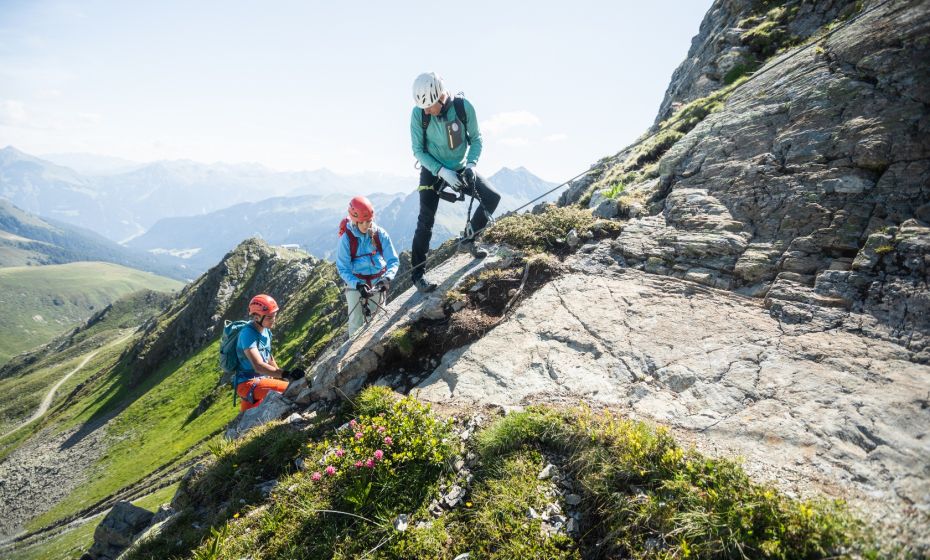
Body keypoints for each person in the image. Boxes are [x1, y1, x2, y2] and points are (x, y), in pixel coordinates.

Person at [410, 72, 501, 293]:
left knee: (491, 197)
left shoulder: (463, 108)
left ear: (441, 97)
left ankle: (469, 239)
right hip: (433, 169)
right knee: (425, 221)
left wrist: (471, 164)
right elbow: (418, 150)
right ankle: (418, 276)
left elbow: (476, 138)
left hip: (460, 167)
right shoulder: (418, 114)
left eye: (430, 106)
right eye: (424, 107)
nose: (426, 111)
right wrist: (441, 171)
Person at [335, 196, 400, 336]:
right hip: (356, 285)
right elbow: (343, 268)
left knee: (378, 320)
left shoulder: (380, 234)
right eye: (361, 222)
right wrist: (357, 285)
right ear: (354, 220)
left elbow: (393, 260)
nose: (365, 225)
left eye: (369, 221)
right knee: (356, 322)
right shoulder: (346, 239)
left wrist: (387, 278)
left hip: (378, 283)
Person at [235, 294, 302, 411]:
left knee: (246, 422)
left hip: (260, 382)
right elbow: (258, 366)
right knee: (294, 390)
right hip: (248, 384)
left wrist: (285, 378)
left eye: (274, 316)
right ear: (257, 317)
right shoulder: (247, 334)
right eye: (269, 317)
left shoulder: (266, 331)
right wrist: (286, 374)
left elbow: (269, 358)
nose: (273, 320)